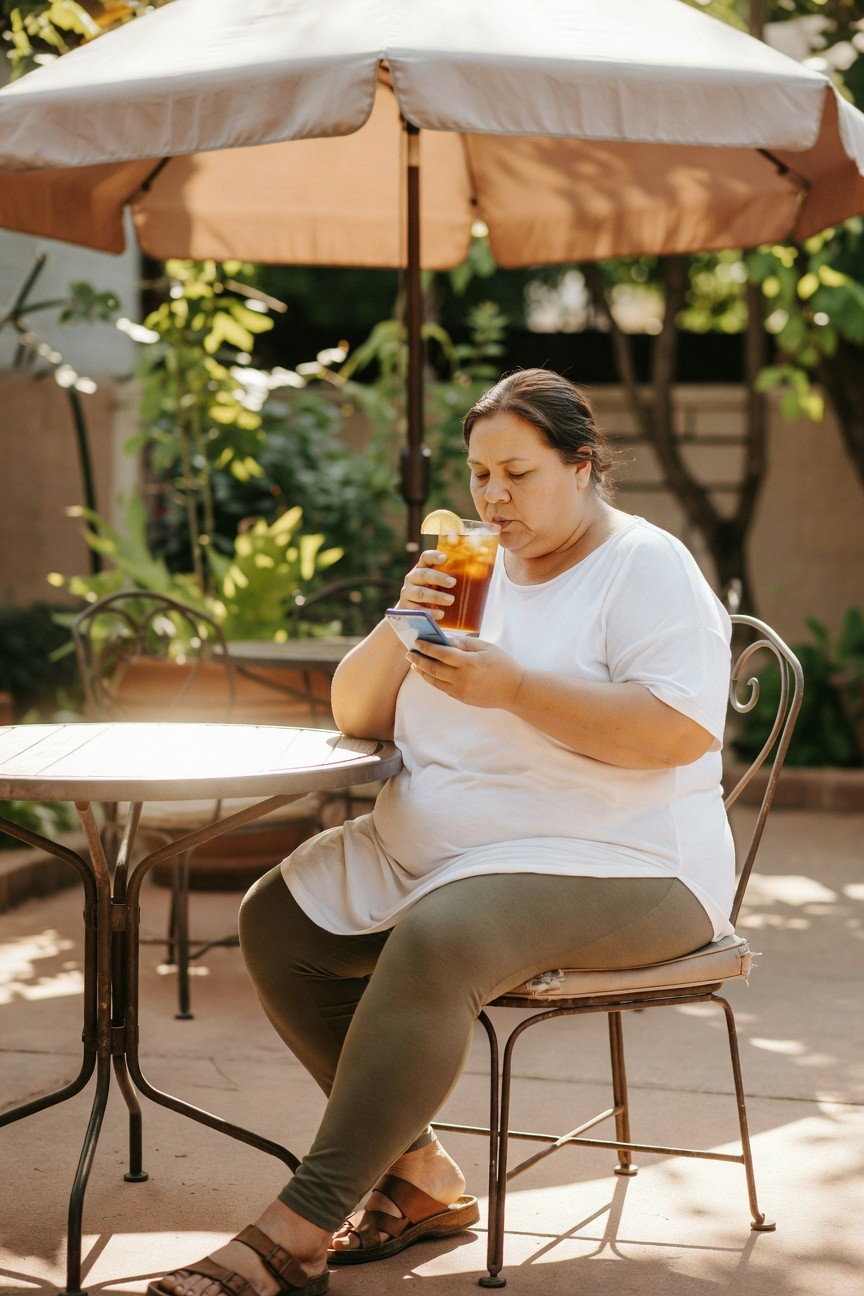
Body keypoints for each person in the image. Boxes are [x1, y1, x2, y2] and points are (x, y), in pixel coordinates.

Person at [150, 368, 734, 1296]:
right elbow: (357, 710)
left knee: (442, 936)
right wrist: (402, 619)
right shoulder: (470, 569)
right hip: (442, 852)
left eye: (519, 473)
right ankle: (419, 1177)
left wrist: (516, 689)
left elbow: (679, 731)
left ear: (581, 467)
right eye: (478, 476)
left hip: (625, 861)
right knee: (279, 920)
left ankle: (299, 1224)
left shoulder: (644, 565)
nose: (494, 498)